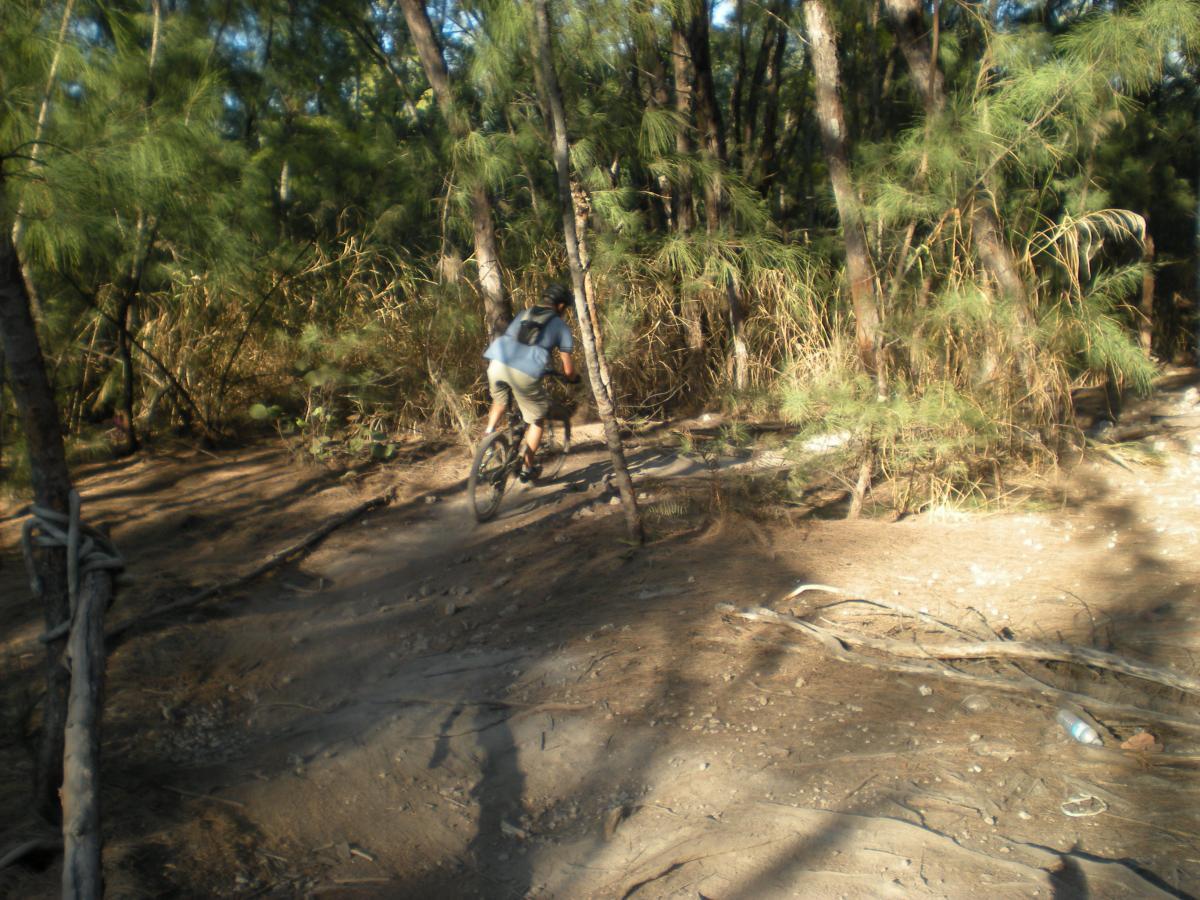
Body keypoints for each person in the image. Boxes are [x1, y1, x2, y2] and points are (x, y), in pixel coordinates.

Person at [482, 283, 581, 481]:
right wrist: (572, 378)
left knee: (500, 400)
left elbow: (518, 342)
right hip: (524, 373)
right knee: (537, 420)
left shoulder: (524, 314)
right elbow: (568, 369)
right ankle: (528, 468)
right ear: (560, 306)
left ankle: (488, 437)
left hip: (497, 364)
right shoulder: (560, 326)